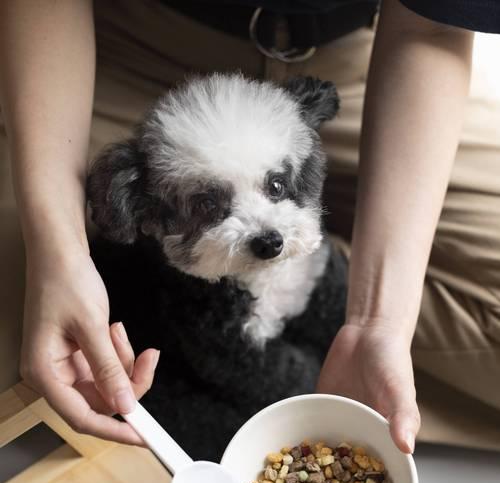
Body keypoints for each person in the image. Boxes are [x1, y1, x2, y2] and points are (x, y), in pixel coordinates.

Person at [0, 0, 499, 452]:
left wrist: (381, 319)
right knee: (45, 355)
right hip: (115, 45)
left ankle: (333, 286)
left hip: (373, 56)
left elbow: (432, 30)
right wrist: (58, 252)